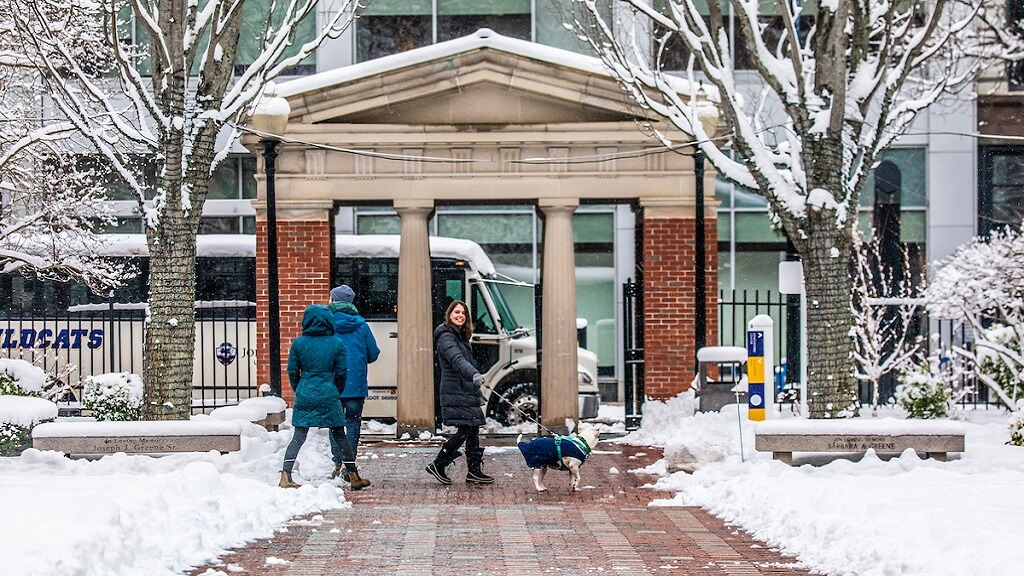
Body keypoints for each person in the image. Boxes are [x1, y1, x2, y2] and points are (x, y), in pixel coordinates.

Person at [279, 304, 370, 490]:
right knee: (339, 435)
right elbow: (342, 372)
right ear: (329, 321)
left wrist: (301, 389)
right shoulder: (336, 343)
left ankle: (285, 474)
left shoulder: (299, 343)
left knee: (298, 436)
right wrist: (335, 390)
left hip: (305, 392)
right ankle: (353, 475)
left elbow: (292, 371)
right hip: (329, 393)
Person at [426, 300, 495, 485]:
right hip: (454, 389)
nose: (460, 315)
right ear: (449, 315)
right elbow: (457, 360)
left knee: (473, 428)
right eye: (456, 312)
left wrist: (474, 382)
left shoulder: (460, 337)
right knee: (466, 428)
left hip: (465, 389)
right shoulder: (446, 337)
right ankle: (439, 464)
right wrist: (474, 374)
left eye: (463, 313)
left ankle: (473, 471)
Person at [327, 284, 380, 473]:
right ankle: (349, 463)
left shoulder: (326, 323)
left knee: (335, 422)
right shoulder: (361, 324)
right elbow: (373, 353)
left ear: (333, 300)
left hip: (333, 382)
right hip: (355, 383)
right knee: (353, 421)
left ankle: (337, 462)